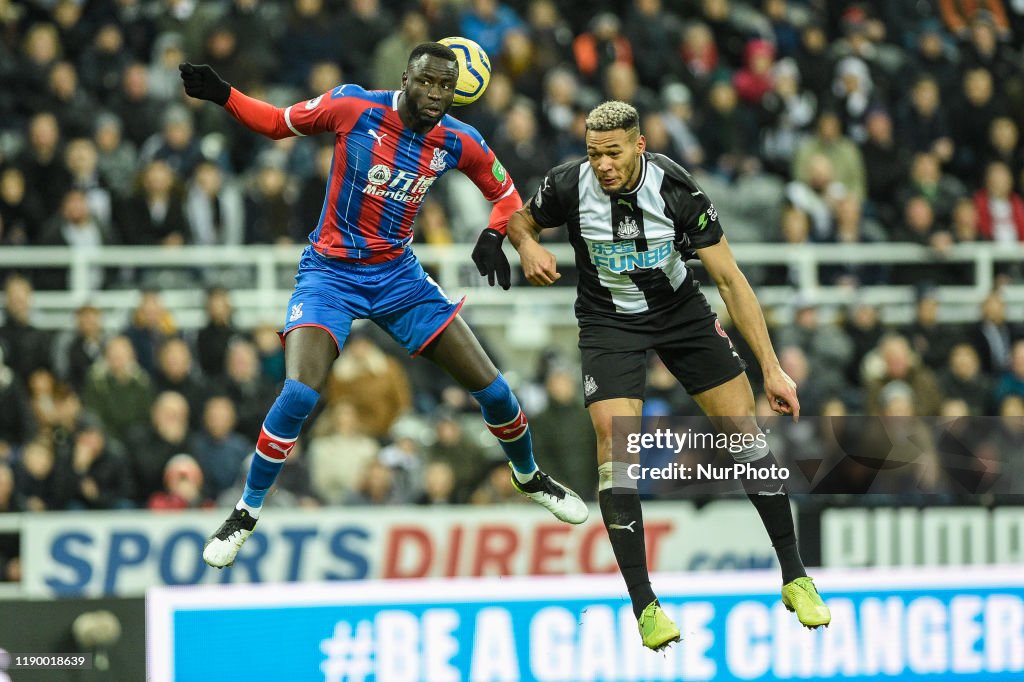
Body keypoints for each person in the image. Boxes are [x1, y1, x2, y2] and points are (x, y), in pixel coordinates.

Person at [178, 42, 587, 569]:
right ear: (405, 79)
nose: (436, 94)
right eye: (427, 82)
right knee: (300, 391)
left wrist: (493, 234)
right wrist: (224, 95)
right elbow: (279, 123)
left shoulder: (459, 139)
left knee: (498, 392)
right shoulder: (355, 107)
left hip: (399, 277)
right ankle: (245, 512)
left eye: (445, 86)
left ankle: (530, 477)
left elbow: (507, 196)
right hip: (330, 274)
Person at [506, 101, 830, 650]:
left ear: (638, 146)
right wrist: (528, 243)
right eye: (593, 154)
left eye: (613, 153)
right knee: (615, 444)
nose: (603, 165)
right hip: (609, 322)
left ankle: (796, 577)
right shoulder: (568, 183)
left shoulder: (676, 188)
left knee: (743, 437)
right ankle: (646, 606)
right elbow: (520, 219)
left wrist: (772, 370)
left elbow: (730, 280)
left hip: (682, 314)